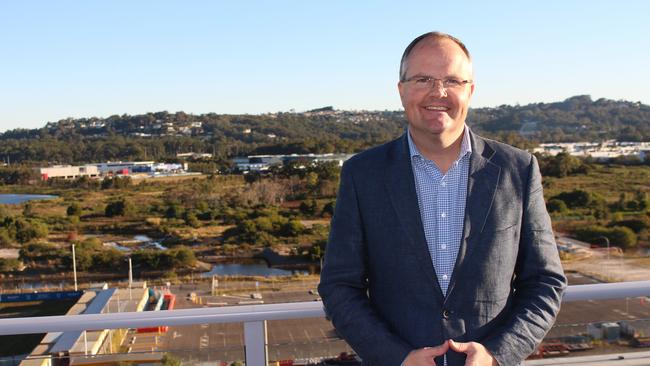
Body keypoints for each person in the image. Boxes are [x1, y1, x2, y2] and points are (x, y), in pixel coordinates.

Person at [318, 32, 567, 366]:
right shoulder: (362, 175)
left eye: (453, 80)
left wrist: (496, 355)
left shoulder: (517, 169)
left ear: (470, 90)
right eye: (422, 79)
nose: (438, 92)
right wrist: (398, 358)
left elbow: (545, 281)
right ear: (401, 89)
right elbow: (339, 286)